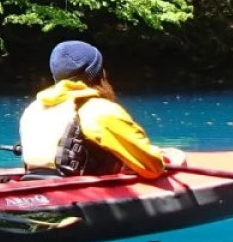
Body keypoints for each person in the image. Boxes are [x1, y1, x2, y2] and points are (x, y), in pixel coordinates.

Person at [19, 40, 185, 178]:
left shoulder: (33, 109)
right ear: (97, 75)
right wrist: (167, 159)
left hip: (36, 185)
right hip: (84, 194)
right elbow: (152, 167)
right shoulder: (100, 111)